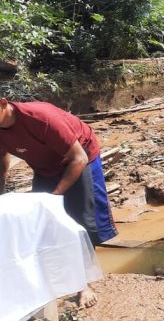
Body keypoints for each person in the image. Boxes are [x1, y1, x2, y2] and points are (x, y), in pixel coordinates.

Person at [0, 98, 117, 308]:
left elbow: (78, 158)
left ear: (2, 103)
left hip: (81, 157)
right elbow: (2, 158)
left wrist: (55, 197)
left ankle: (85, 284)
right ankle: (52, 277)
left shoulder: (40, 119)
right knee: (42, 222)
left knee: (80, 220)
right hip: (45, 166)